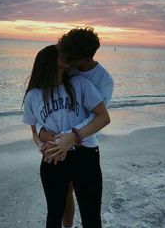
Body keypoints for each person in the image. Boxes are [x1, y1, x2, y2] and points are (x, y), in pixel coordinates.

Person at [23, 44, 110, 228]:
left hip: (85, 155)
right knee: (54, 216)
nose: (68, 56)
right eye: (62, 54)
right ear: (50, 62)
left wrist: (73, 137)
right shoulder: (33, 95)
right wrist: (42, 146)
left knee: (91, 218)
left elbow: (103, 117)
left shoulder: (80, 84)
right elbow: (33, 132)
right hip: (53, 159)